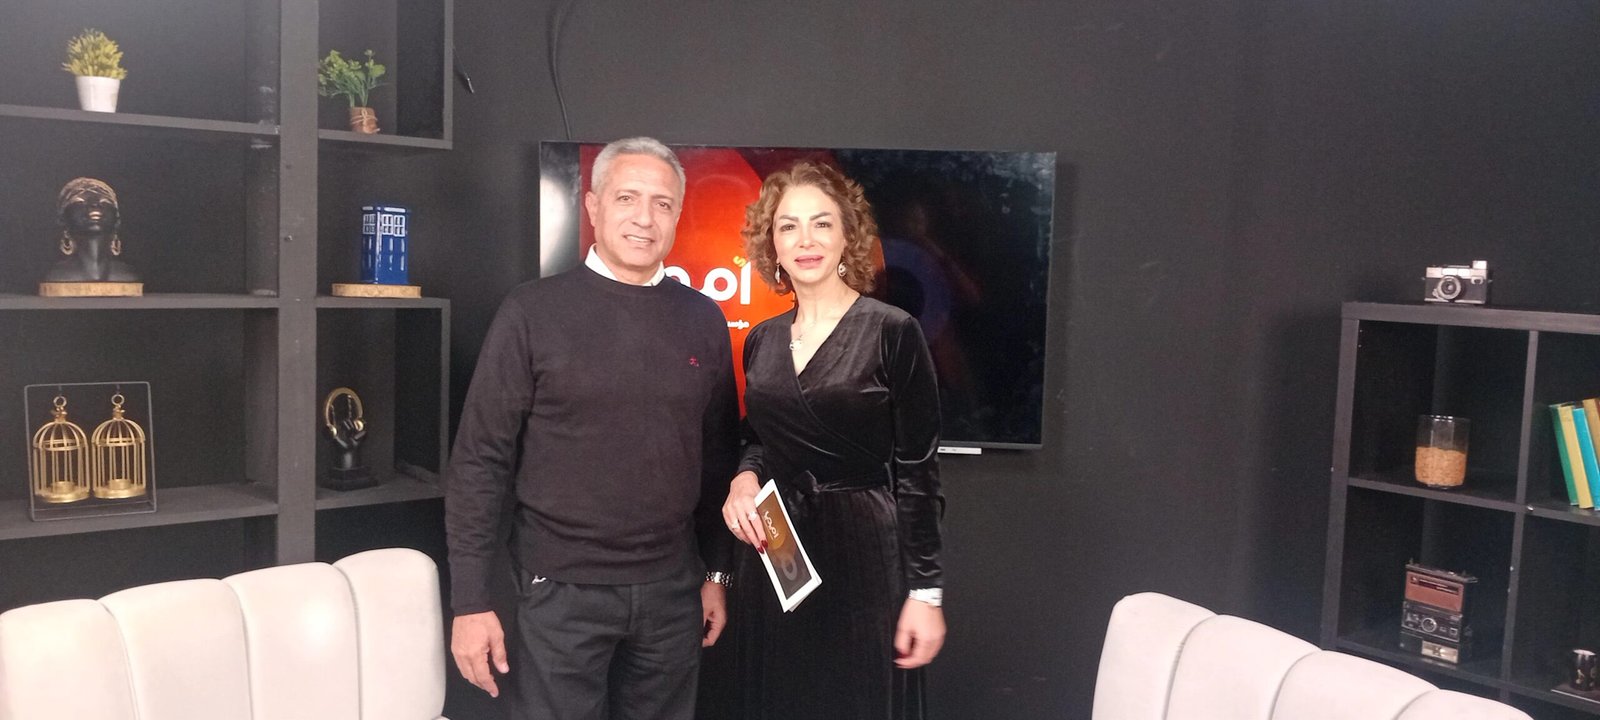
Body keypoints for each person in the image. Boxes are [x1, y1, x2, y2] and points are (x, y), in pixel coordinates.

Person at [445, 136, 738, 720]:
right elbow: (480, 462)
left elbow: (717, 458)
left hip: (672, 593)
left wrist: (716, 572)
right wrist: (470, 601)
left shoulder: (703, 318)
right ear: (594, 205)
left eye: (662, 203)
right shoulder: (531, 312)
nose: (644, 217)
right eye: (627, 197)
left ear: (677, 215)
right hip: (558, 593)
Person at [719, 161, 946, 720]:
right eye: (788, 226)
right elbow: (758, 437)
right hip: (776, 551)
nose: (806, 240)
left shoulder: (893, 331)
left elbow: (918, 471)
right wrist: (744, 477)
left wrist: (926, 593)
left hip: (863, 551)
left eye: (821, 223)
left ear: (848, 235)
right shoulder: (761, 340)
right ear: (772, 245)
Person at [47, 177, 139, 282]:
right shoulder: (57, 274)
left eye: (105, 202)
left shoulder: (127, 274)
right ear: (63, 219)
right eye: (79, 202)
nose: (94, 205)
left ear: (117, 219)